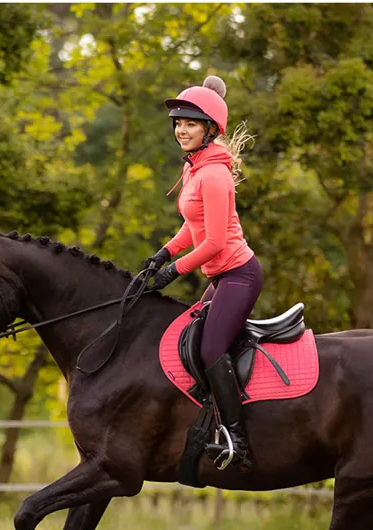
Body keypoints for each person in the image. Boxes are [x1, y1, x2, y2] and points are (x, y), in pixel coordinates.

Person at [145, 76, 261, 472]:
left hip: (238, 276)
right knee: (191, 338)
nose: (181, 130)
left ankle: (237, 437)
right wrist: (162, 254)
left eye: (191, 124)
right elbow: (191, 227)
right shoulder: (195, 169)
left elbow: (212, 243)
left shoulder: (213, 175)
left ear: (210, 130)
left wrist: (172, 272)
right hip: (221, 278)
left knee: (211, 349)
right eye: (178, 123)